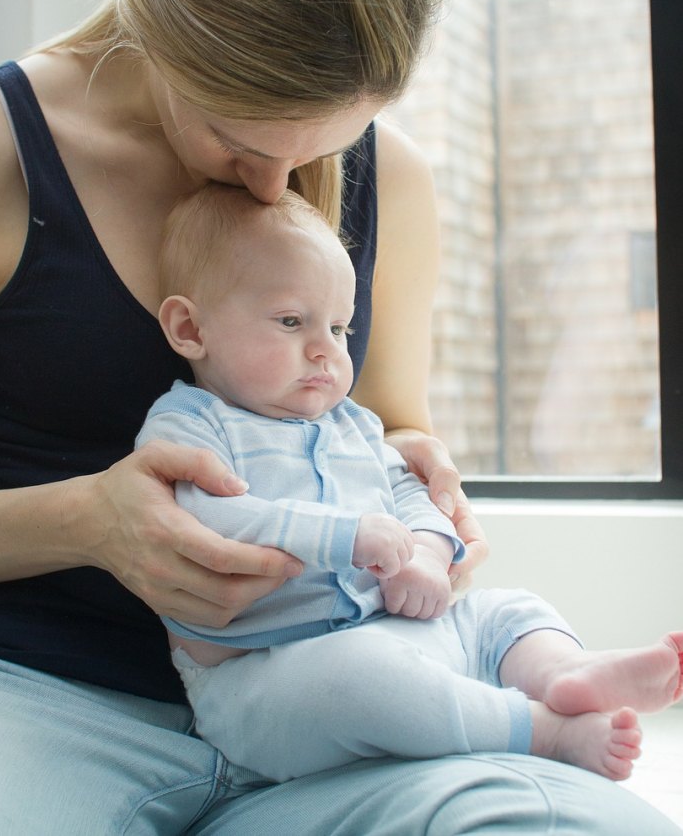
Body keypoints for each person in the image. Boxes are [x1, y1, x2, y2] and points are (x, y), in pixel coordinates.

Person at [0, 0, 679, 833]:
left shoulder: (395, 178)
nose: (277, 185)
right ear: (164, 26)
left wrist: (425, 495)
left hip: (344, 705)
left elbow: (386, 430)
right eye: (234, 136)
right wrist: (90, 523)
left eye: (324, 148)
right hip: (34, 705)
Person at [138, 181, 683, 785]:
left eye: (340, 329)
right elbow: (209, 520)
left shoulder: (350, 424)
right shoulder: (190, 424)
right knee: (363, 679)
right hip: (273, 680)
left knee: (507, 612)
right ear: (191, 328)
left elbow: (407, 493)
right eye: (292, 321)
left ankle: (565, 673)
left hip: (404, 625)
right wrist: (346, 536)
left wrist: (426, 551)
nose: (326, 351)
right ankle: (542, 728)